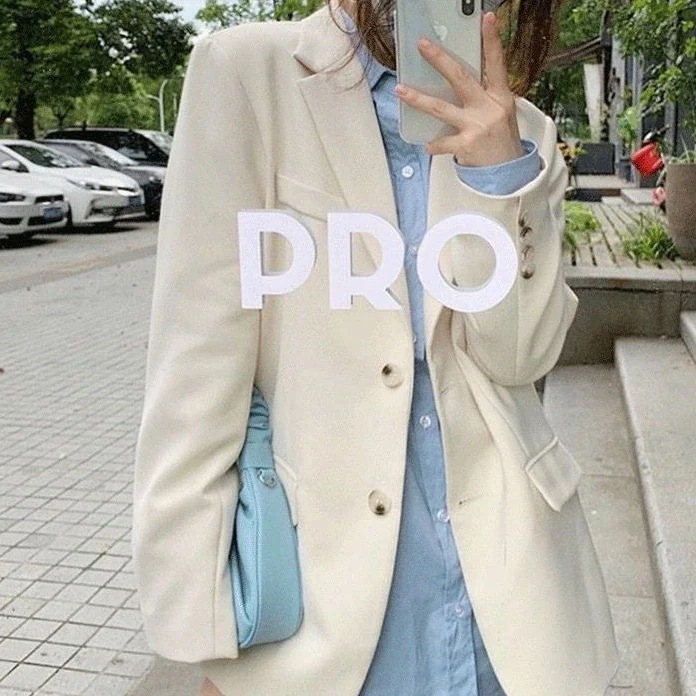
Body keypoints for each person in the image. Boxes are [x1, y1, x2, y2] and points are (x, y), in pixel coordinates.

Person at [132, 0, 619, 694]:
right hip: (325, 594)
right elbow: (195, 362)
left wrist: (498, 177)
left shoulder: (524, 131)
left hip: (507, 595)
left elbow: (520, 360)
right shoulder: (247, 74)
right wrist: (202, 628)